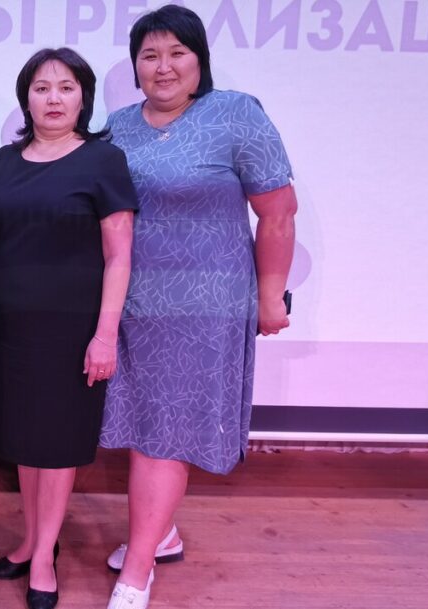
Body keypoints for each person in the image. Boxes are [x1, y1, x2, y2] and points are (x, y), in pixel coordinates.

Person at [98, 6, 298, 608]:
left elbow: (278, 212)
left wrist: (271, 296)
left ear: (199, 59)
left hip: (205, 307)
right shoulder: (117, 127)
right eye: (149, 55)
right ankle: (160, 533)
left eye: (176, 53)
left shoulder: (236, 113)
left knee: (168, 431)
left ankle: (137, 570)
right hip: (132, 303)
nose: (163, 67)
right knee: (145, 426)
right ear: (135, 66)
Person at [0, 48, 138, 609]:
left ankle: (46, 555)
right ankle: (30, 540)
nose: (53, 98)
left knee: (56, 446)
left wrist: (105, 335)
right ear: (25, 97)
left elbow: (119, 256)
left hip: (73, 331)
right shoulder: (4, 161)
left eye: (66, 87)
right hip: (14, 330)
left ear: (83, 98)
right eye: (42, 87)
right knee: (25, 443)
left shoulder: (102, 160)